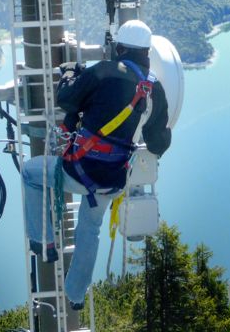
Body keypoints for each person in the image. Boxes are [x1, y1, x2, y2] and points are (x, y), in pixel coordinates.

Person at [22, 19, 171, 309]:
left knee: (30, 174)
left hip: (80, 169)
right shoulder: (155, 89)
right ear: (147, 53)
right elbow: (158, 144)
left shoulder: (104, 71)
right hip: (113, 179)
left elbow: (67, 98)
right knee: (89, 228)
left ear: (120, 48)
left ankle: (43, 241)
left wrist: (67, 75)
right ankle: (76, 296)